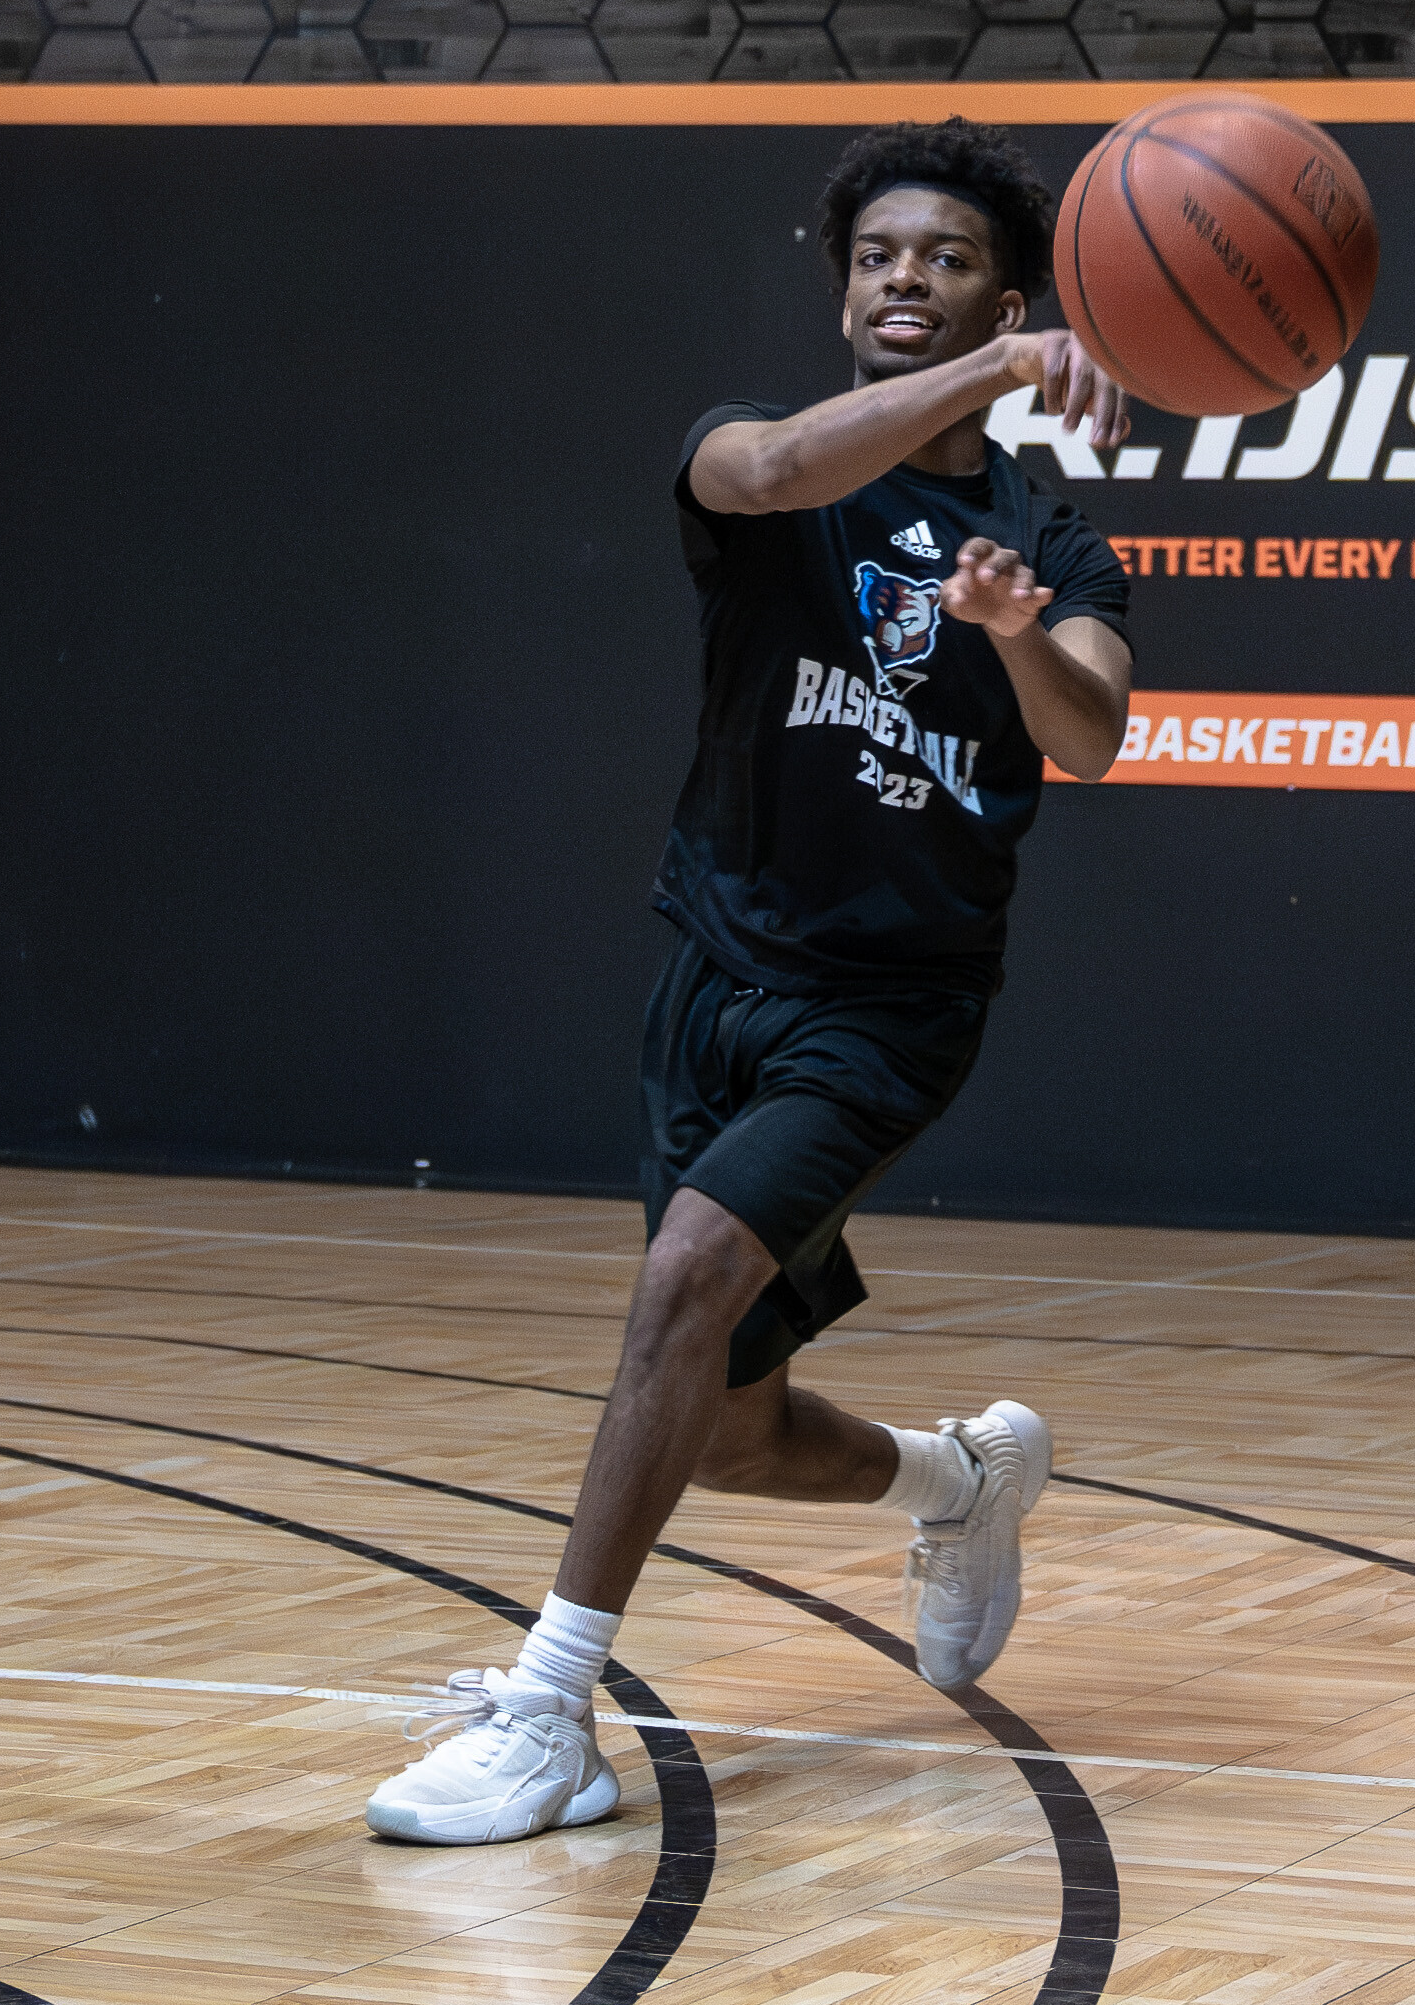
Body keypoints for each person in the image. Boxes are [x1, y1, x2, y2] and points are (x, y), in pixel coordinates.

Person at [366, 121, 1139, 1846]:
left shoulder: (1051, 543)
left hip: (888, 1004)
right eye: (876, 257)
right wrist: (1014, 366)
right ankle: (957, 1476)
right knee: (719, 1425)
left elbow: (1088, 735)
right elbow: (778, 467)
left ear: (1000, 295)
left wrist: (1015, 632)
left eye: (941, 260)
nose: (900, 281)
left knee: (681, 1279)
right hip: (714, 963)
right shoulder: (751, 452)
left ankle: (550, 1712)